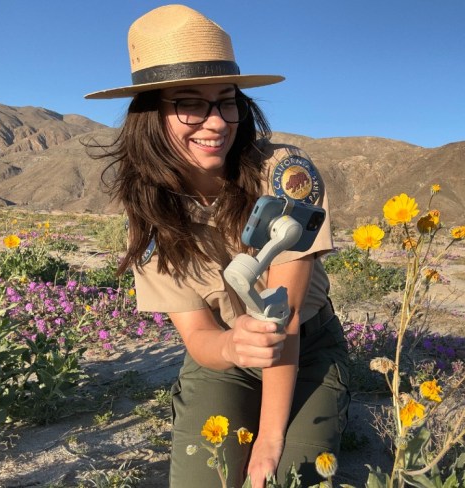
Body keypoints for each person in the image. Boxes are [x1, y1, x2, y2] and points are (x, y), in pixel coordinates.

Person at [84, 5, 350, 487]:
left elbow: (283, 317)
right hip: (226, 358)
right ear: (152, 115)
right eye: (190, 103)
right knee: (206, 479)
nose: (216, 123)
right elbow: (199, 337)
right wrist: (233, 343)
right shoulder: (149, 210)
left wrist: (271, 440)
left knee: (291, 476)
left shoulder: (286, 176)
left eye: (226, 100)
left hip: (304, 350)